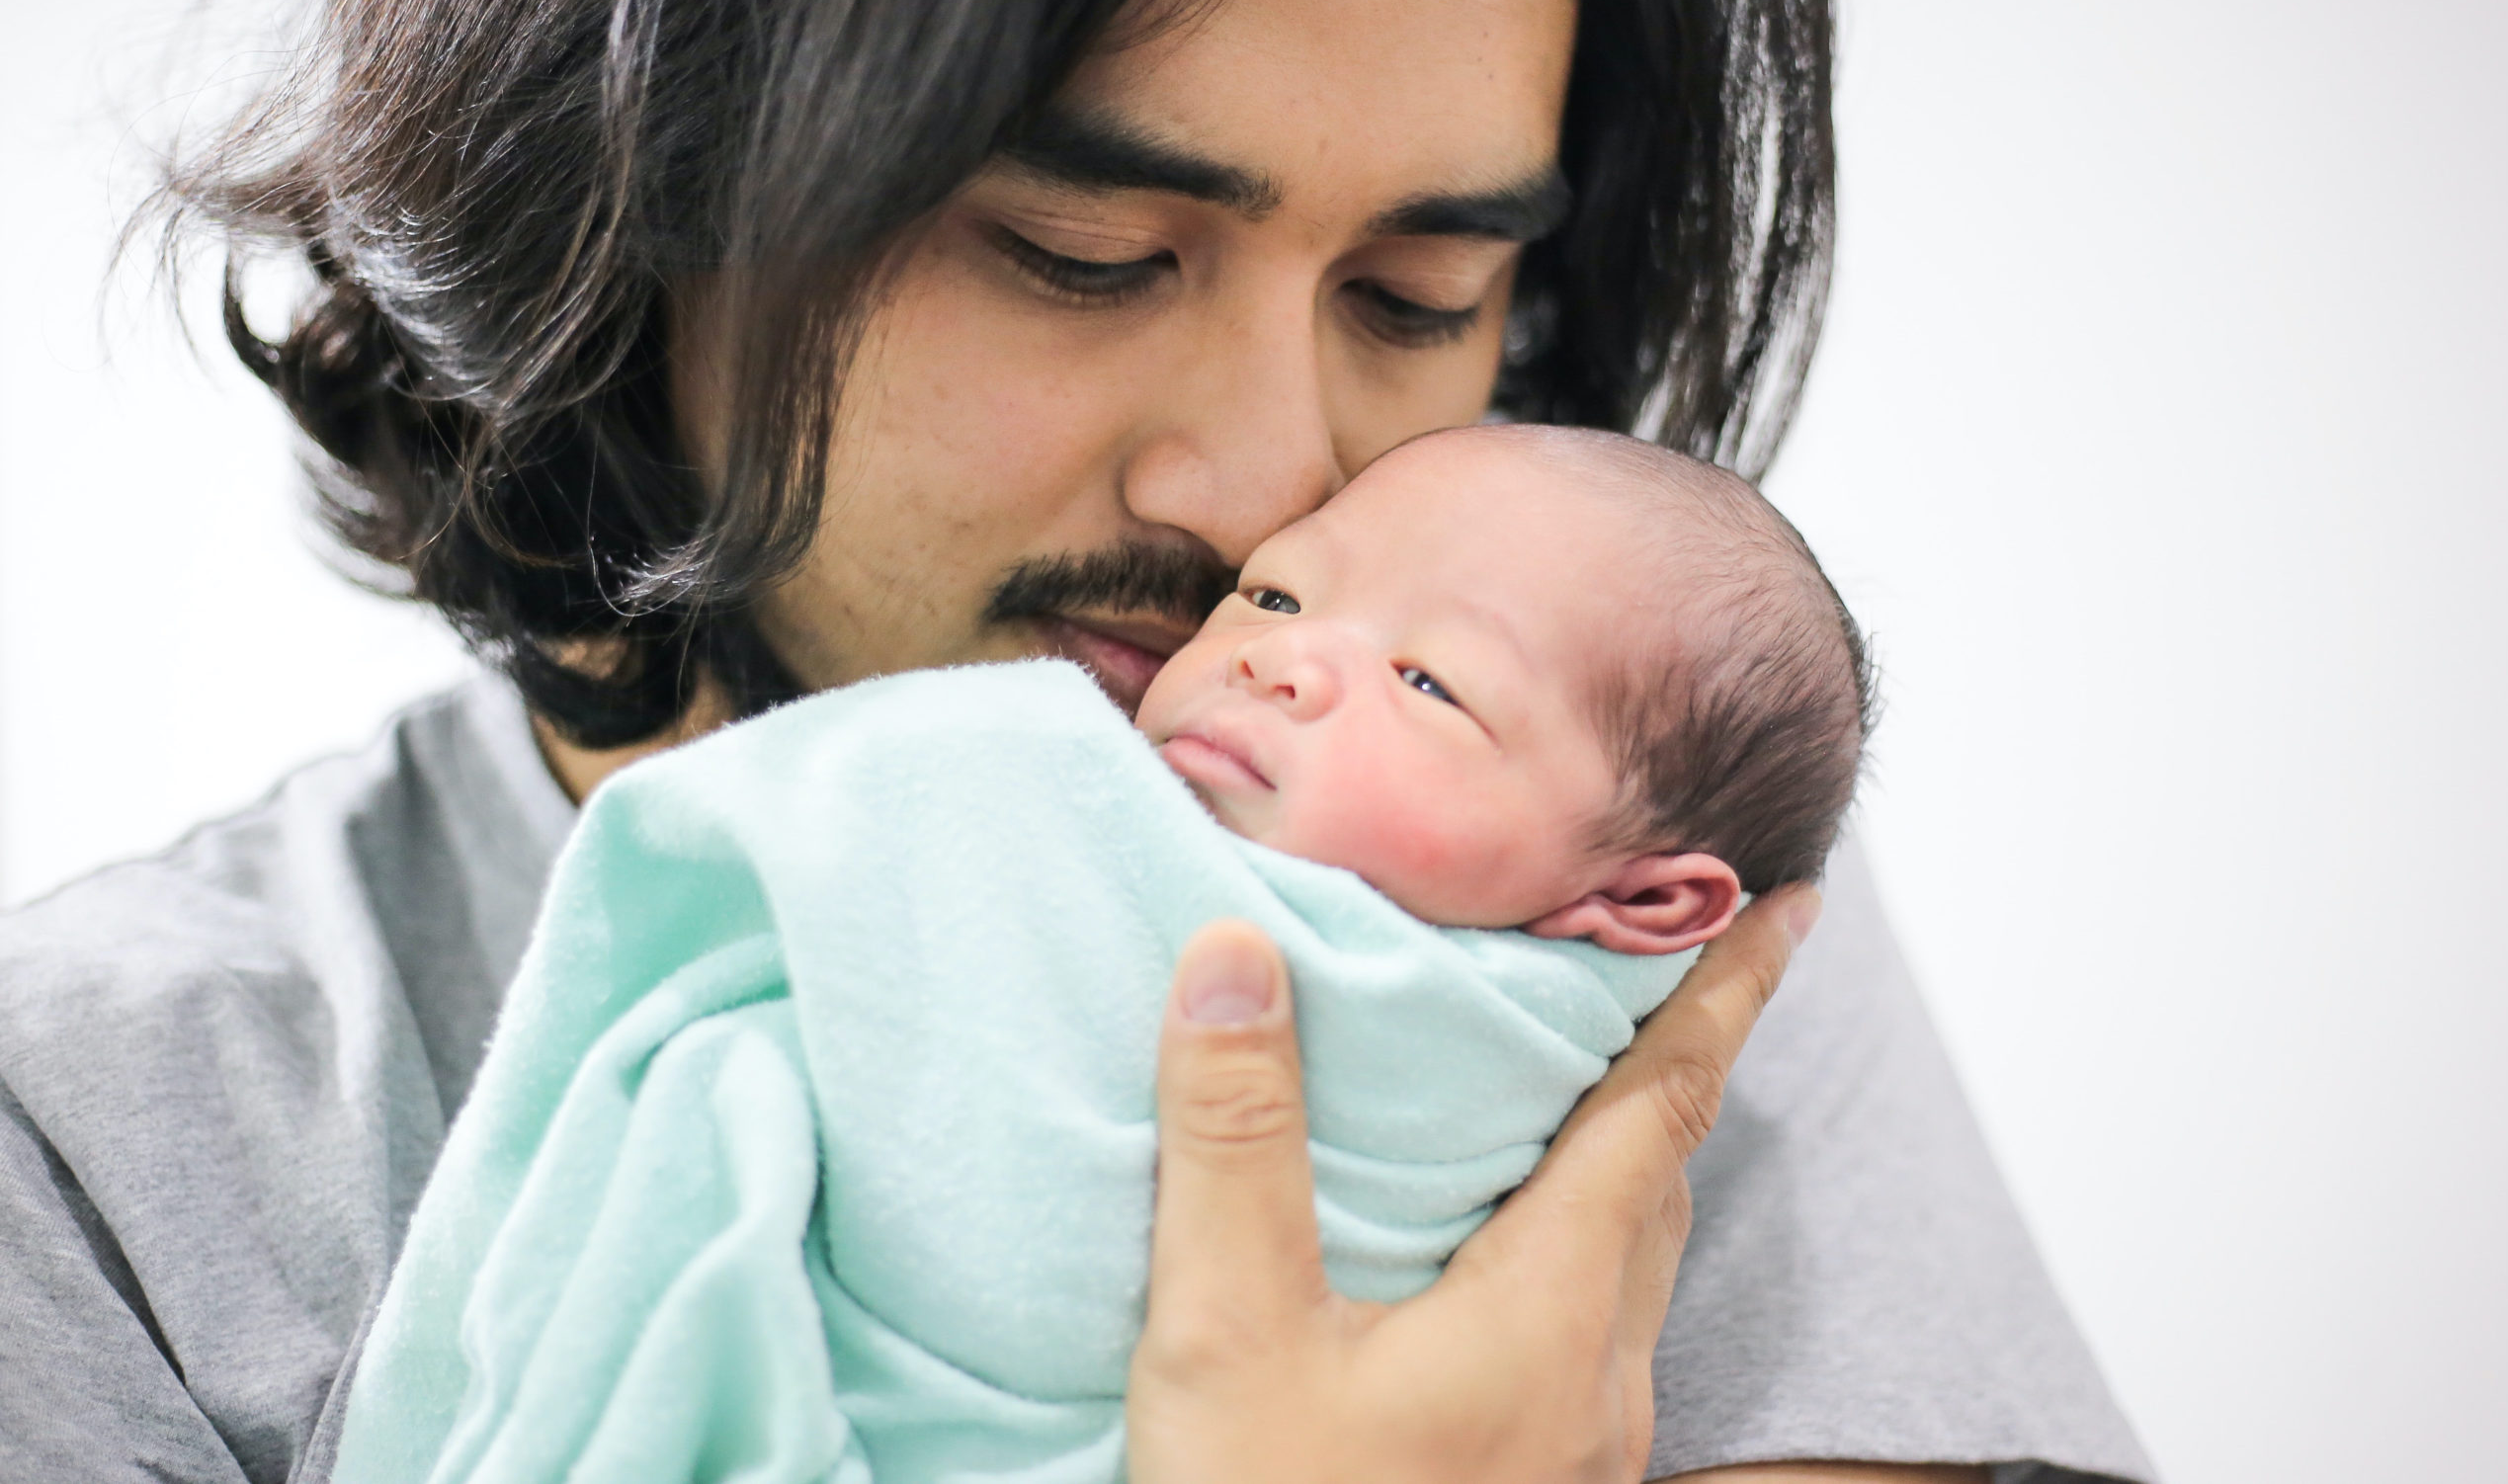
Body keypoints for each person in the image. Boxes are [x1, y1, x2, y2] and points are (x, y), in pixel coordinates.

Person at [0, 0, 2154, 1481]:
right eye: (1085, 252)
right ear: (619, 204)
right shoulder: (106, 1139)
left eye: (1414, 296)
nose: (1264, 489)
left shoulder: (1561, 848)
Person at [339, 423, 1877, 1484]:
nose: (1274, 650)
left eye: (1426, 678)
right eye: (1274, 591)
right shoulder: (1023, 794)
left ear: (1650, 911)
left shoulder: (1669, 1047)